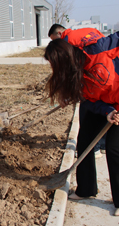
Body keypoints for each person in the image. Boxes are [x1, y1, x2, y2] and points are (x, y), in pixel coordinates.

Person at [44, 35, 119, 216]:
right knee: (84, 140)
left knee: (114, 148)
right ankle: (86, 189)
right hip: (104, 105)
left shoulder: (97, 49)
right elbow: (88, 100)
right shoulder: (76, 75)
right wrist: (107, 111)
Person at [48, 24, 106, 157]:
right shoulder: (88, 31)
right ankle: (103, 144)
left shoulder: (68, 42)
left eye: (54, 40)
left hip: (94, 80)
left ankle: (94, 148)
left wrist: (68, 96)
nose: (55, 44)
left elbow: (71, 72)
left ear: (59, 33)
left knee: (88, 114)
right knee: (105, 110)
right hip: (106, 75)